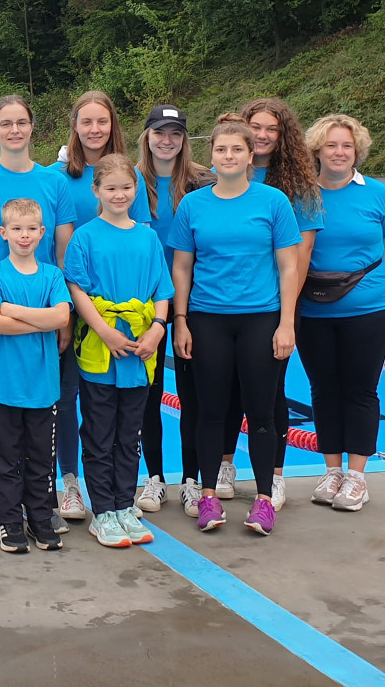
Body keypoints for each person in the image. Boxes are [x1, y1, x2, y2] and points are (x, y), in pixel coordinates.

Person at [170, 114, 301, 537]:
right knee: (210, 411)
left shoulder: (272, 202)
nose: (228, 156)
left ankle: (264, 500)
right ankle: (208, 496)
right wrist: (181, 321)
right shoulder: (193, 205)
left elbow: (288, 266)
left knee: (262, 413)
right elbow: (183, 268)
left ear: (250, 156)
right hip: (208, 319)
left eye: (237, 149)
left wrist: (286, 323)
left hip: (260, 319)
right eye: (221, 149)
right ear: (211, 157)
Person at [0, 95, 75, 539]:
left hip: (44, 307)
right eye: (5, 123)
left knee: (42, 413)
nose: (14, 130)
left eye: (21, 122)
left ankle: (38, 504)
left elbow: (62, 252)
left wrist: (62, 319)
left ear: (32, 128)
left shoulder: (54, 183)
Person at [215, 97, 322, 510]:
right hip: (227, 307)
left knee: (271, 393)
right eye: (254, 127)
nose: (261, 135)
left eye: (271, 129)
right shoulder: (222, 173)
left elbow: (302, 254)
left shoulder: (296, 184)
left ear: (283, 136)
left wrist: (285, 315)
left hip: (273, 307)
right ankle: (224, 464)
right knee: (226, 390)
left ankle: (274, 476)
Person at [296, 115, 385, 512]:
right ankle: (332, 470)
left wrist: (355, 277)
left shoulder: (378, 195)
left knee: (361, 390)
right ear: (317, 151)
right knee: (323, 390)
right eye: (331, 145)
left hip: (369, 308)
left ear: (356, 150)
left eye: (346, 146)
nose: (339, 152)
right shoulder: (302, 196)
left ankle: (357, 475)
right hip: (313, 309)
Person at [51, 90, 149, 523]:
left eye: (102, 121)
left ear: (114, 126)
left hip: (122, 310)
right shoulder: (58, 176)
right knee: (73, 397)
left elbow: (139, 238)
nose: (94, 129)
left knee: (121, 408)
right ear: (74, 126)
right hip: (70, 296)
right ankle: (71, 483)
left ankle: (118, 497)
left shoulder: (132, 177)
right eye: (86, 121)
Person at [65, 154, 172, 548]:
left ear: (136, 191)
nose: (119, 194)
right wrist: (105, 331)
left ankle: (125, 505)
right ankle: (103, 511)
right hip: (101, 345)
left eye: (126, 187)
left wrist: (158, 330)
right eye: (110, 188)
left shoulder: (147, 237)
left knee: (130, 434)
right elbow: (76, 289)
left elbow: (162, 289)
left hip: (142, 347)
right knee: (98, 432)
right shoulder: (86, 236)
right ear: (96, 191)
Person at [0, 198, 72, 553]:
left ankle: (40, 518)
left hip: (43, 387)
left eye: (32, 228)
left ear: (42, 232)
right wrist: (39, 317)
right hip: (3, 387)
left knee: (41, 460)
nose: (24, 235)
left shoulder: (52, 275)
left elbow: (61, 318)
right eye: (16, 229)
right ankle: (10, 521)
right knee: (4, 459)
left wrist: (14, 310)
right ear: (3, 233)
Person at [132, 105, 213, 517]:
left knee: (191, 396)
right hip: (140, 305)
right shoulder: (129, 182)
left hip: (192, 303)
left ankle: (193, 480)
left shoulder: (202, 184)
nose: (167, 140)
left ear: (184, 139)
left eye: (176, 133)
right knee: (146, 397)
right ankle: (155, 478)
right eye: (160, 132)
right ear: (146, 135)